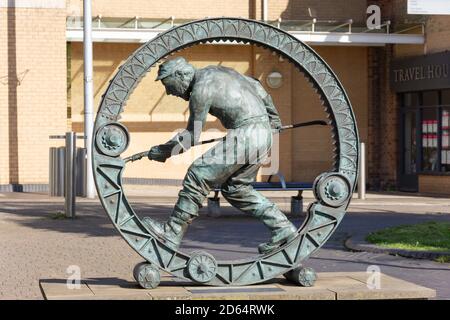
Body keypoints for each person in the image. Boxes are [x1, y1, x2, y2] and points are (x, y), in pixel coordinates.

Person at [142, 57, 296, 254]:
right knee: (236, 189)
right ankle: (283, 228)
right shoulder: (223, 72)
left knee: (198, 174)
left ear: (180, 75)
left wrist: (164, 151)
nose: (169, 92)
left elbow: (191, 136)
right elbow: (259, 88)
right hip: (263, 135)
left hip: (246, 134)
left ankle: (171, 232)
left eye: (168, 85)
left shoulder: (200, 89)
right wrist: (273, 121)